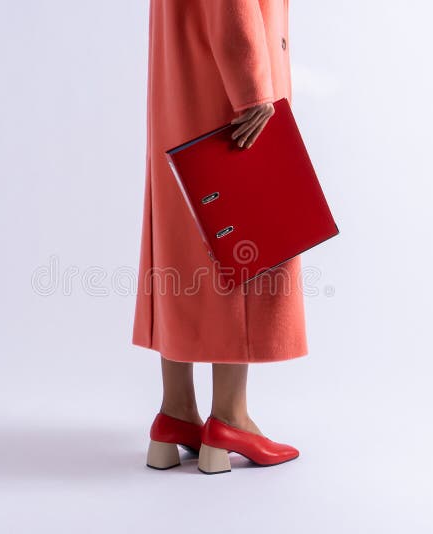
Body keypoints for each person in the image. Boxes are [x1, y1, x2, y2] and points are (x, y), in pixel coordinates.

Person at [133, 0, 306, 474]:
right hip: (227, 100)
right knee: (242, 249)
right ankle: (230, 418)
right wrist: (253, 91)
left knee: (182, 250)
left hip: (182, 93)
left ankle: (176, 413)